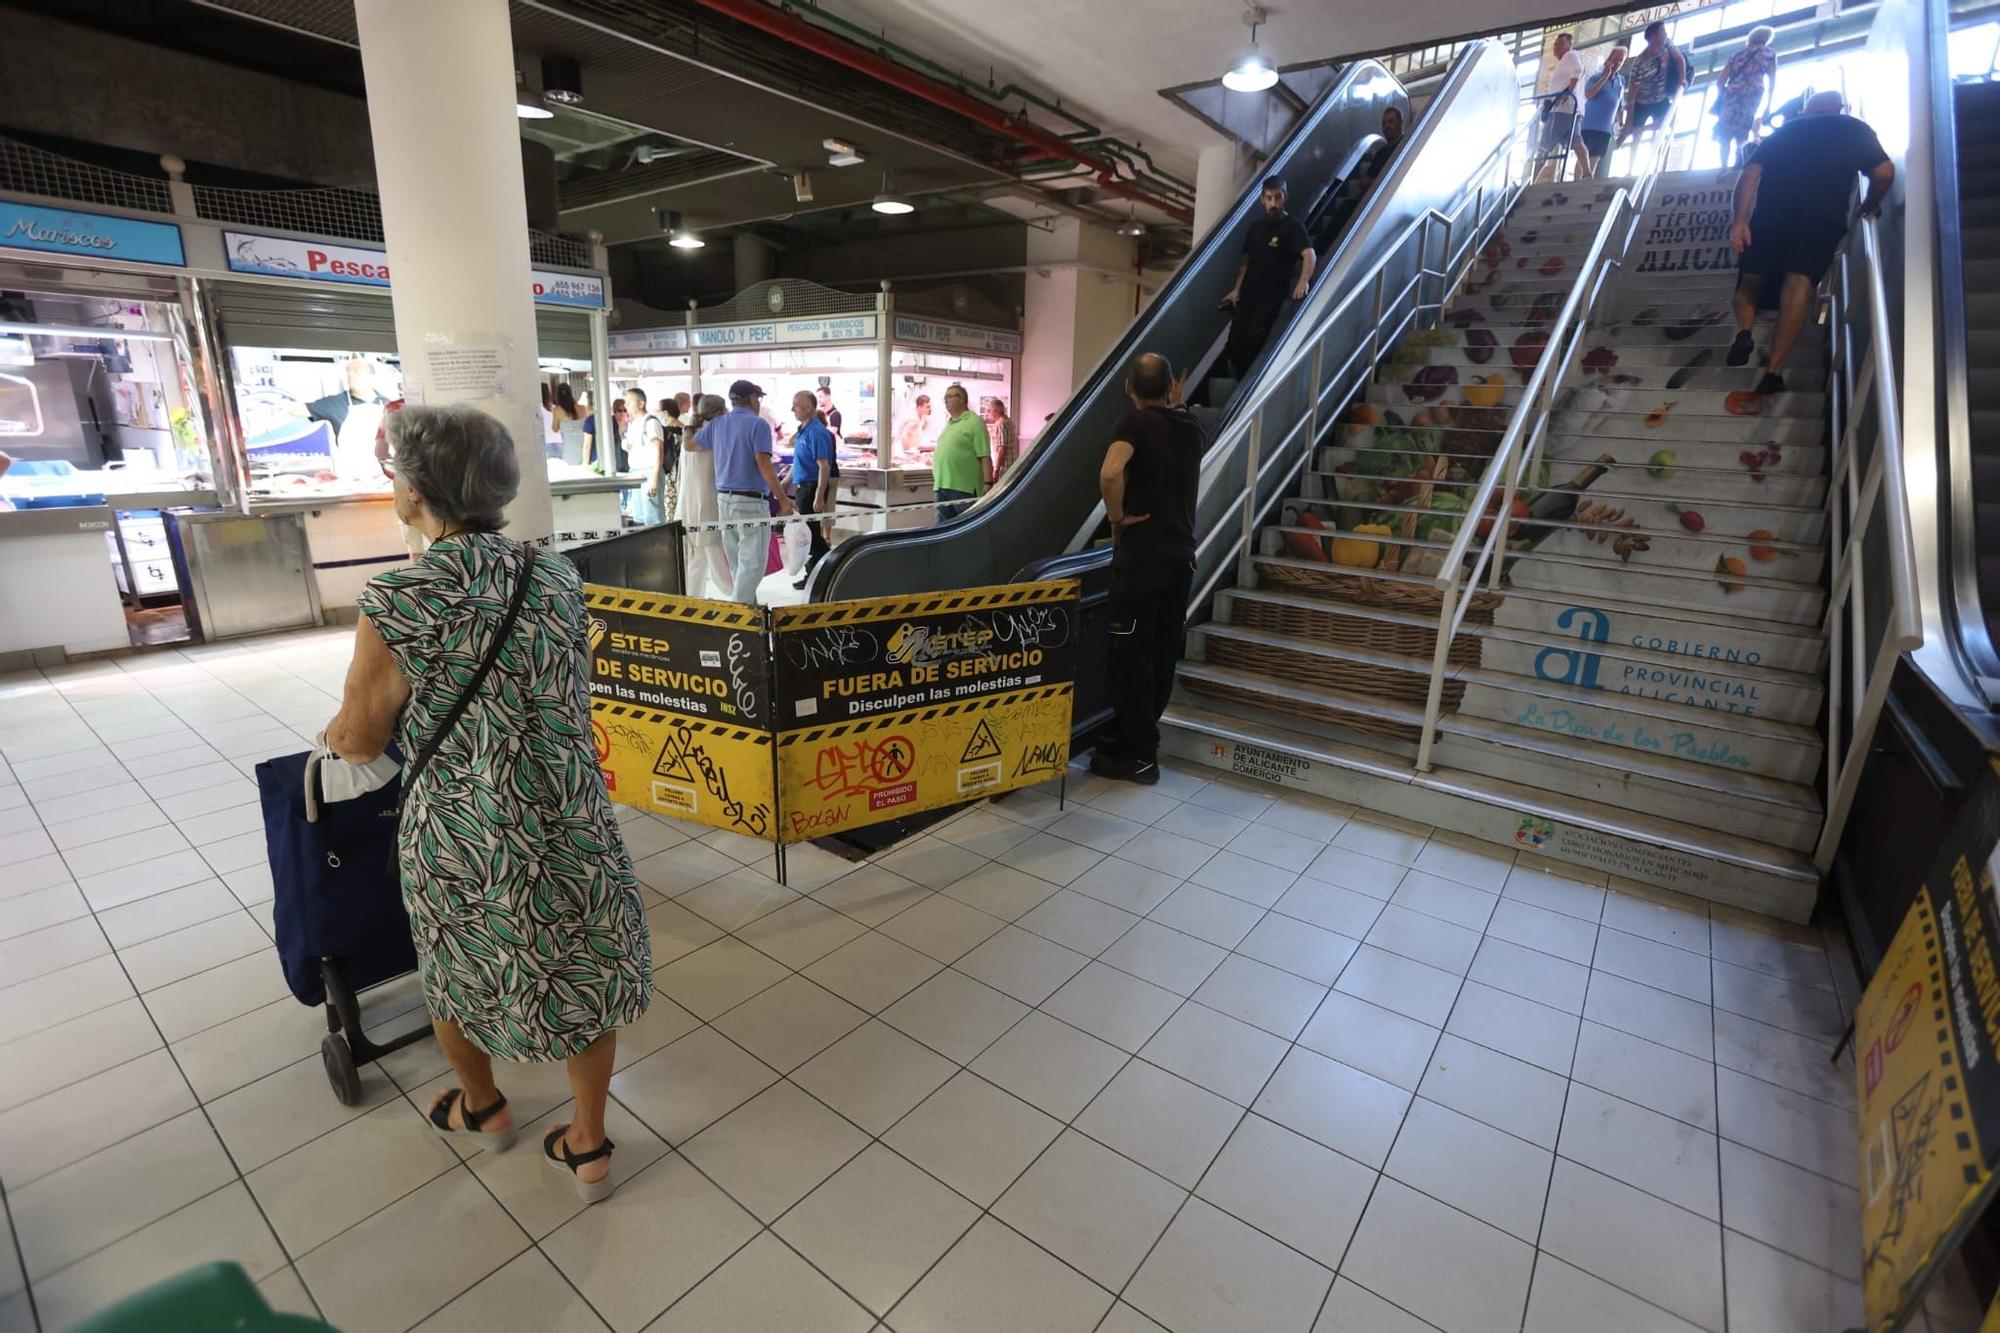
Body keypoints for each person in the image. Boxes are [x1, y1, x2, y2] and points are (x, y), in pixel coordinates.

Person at [326, 404, 651, 1204]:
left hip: (467, 824)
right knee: (581, 962)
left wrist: (338, 729)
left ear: (419, 490)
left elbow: (363, 737)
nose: (393, 482)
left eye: (395, 469)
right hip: (570, 806)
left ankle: (485, 1106)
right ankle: (589, 1140)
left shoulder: (398, 598)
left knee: (455, 965)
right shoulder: (556, 573)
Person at [1728, 91, 1894, 396]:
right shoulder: (1854, 128)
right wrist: (1870, 204)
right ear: (1839, 108)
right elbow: (1884, 173)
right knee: (1799, 285)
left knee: (1750, 281)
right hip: (1821, 220)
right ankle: (1774, 372)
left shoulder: (1787, 131)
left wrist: (1740, 222)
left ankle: (1743, 332)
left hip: (1771, 215)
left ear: (1806, 110)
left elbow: (1749, 174)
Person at [1093, 354, 1202, 786]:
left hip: (1142, 562)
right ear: (1172, 385)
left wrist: (1117, 518)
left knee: (1130, 656)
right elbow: (1174, 422)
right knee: (1160, 653)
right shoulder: (1191, 428)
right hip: (1181, 560)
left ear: (1127, 387)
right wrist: (1178, 403)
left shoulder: (1132, 424)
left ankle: (1140, 755)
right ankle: (1133, 739)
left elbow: (1111, 472)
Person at [693, 380, 793, 603]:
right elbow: (764, 464)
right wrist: (783, 499)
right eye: (758, 398)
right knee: (753, 562)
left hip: (724, 501)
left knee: (738, 561)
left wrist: (696, 422)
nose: (759, 403)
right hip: (750, 502)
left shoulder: (717, 424)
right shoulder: (758, 425)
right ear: (751, 398)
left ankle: (749, 607)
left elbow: (690, 445)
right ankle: (740, 611)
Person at [1220, 177, 1314, 379]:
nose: (1273, 203)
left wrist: (1303, 280)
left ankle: (1251, 387)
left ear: (1284, 198)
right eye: (1269, 198)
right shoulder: (1255, 228)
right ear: (1262, 199)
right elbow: (1246, 261)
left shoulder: (1293, 227)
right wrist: (1236, 289)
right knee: (1234, 345)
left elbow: (1309, 254)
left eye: (1277, 198)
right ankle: (1243, 388)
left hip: (1272, 297)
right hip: (1248, 295)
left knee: (1255, 339)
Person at [677, 394, 734, 598]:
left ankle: (693, 598)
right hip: (708, 500)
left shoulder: (690, 432)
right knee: (712, 548)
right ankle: (735, 591)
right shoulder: (713, 434)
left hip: (689, 501)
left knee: (698, 553)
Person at [788, 389, 838, 585]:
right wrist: (784, 484)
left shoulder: (817, 432)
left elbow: (823, 466)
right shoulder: (803, 430)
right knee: (810, 534)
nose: (792, 409)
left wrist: (819, 495)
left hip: (810, 488)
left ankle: (823, 571)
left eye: (796, 405)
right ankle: (818, 573)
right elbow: (799, 460)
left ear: (809, 408)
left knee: (812, 536)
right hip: (803, 487)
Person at [1713, 27, 1778, 169]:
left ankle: (1723, 166)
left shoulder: (1737, 55)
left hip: (1731, 95)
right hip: (1752, 94)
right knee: (1742, 131)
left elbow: (1720, 82)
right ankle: (1738, 163)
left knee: (1725, 133)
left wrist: (1722, 97)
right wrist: (1768, 106)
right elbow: (1772, 81)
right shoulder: (1768, 53)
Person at [1620, 21, 1689, 146]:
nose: (1665, 35)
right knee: (1635, 137)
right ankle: (1633, 154)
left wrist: (1682, 80)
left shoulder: (1667, 44)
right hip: (1642, 101)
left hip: (1660, 97)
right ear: (1654, 37)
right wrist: (1629, 120)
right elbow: (1632, 91)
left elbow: (1680, 59)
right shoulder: (1640, 62)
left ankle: (1640, 129)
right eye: (1662, 32)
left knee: (1669, 121)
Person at [931, 383, 992, 521]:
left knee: (968, 527)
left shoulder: (974, 422)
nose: (946, 401)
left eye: (950, 397)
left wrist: (988, 483)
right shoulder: (950, 423)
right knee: (942, 530)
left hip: (964, 489)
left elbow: (984, 455)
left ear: (962, 399)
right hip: (942, 485)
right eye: (945, 398)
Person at [1539, 32, 1586, 181]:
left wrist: (1566, 95)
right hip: (1571, 110)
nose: (1556, 47)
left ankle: (1530, 179)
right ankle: (1587, 173)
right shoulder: (1566, 60)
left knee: (1544, 146)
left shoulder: (1570, 56)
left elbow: (1577, 72)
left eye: (1560, 43)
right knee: (1576, 141)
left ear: (1569, 45)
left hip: (1561, 109)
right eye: (1555, 44)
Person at [1578, 46, 1627, 177]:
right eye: (1615, 59)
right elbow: (1588, 94)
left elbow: (1620, 105)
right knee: (1584, 158)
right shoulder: (1596, 77)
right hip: (1589, 125)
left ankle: (1586, 186)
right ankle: (1575, 184)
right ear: (1609, 59)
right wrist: (1606, 75)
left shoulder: (1621, 82)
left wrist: (1620, 123)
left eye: (1620, 61)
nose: (1617, 63)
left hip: (1605, 129)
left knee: (1594, 160)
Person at [623, 388, 667, 525]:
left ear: (641, 403)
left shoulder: (651, 422)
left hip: (649, 472)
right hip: (636, 472)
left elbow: (658, 451)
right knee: (640, 517)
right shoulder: (632, 424)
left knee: (652, 517)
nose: (626, 406)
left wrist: (654, 479)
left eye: (629, 402)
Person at [1359, 106, 1405, 191]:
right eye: (1384, 123)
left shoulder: (1406, 147)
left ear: (1401, 123)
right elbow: (1365, 180)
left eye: (1391, 122)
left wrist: (1372, 182)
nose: (1386, 126)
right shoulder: (1381, 152)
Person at [985, 398, 1019, 478]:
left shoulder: (1000, 425)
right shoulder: (1010, 422)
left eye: (989, 410)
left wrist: (996, 470)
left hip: (1004, 468)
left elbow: (1001, 450)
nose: (988, 413)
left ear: (995, 410)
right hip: (1012, 465)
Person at [896, 391, 932, 462]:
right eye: (927, 407)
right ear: (920, 407)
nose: (930, 409)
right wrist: (908, 453)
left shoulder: (919, 416)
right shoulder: (914, 419)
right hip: (904, 453)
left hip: (910, 452)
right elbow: (904, 436)